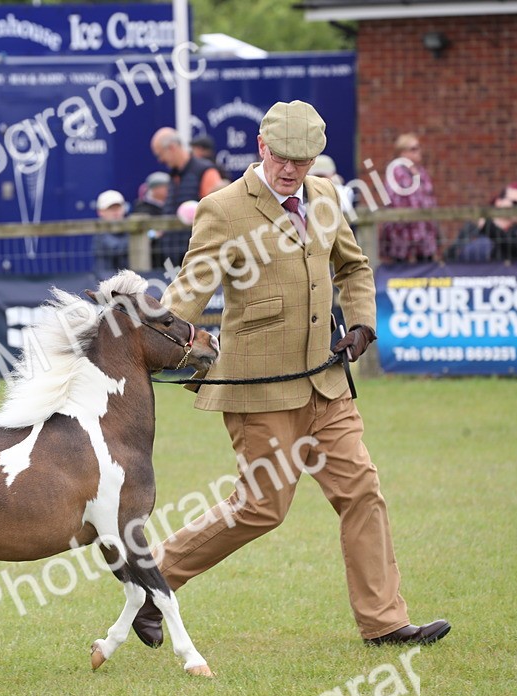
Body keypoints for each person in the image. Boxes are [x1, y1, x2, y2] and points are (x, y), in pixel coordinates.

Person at [130, 100, 450, 650]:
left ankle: (385, 622)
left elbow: (353, 267)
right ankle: (153, 576)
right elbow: (189, 291)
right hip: (260, 390)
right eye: (282, 158)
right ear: (261, 147)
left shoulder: (325, 196)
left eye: (302, 161)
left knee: (362, 492)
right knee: (261, 509)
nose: (290, 170)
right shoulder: (223, 209)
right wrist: (158, 339)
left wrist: (362, 322)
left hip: (326, 383)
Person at [151, 128, 225, 267]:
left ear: (172, 148)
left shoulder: (205, 171)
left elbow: (219, 211)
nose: (160, 160)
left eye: (160, 154)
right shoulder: (174, 175)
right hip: (174, 259)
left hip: (197, 258)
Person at [379, 133, 439, 263]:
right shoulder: (396, 172)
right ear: (403, 152)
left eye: (419, 148)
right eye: (414, 148)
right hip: (403, 236)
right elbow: (394, 202)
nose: (419, 152)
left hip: (424, 235)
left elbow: (429, 196)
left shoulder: (420, 171)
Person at [445, 183, 517, 262]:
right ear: (499, 202)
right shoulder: (472, 228)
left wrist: (486, 226)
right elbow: (450, 255)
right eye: (515, 203)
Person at [91, 189, 129, 280]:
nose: (116, 212)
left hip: (130, 281)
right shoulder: (100, 232)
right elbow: (117, 248)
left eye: (118, 207)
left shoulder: (130, 227)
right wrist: (148, 236)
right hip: (107, 281)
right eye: (111, 208)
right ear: (100, 212)